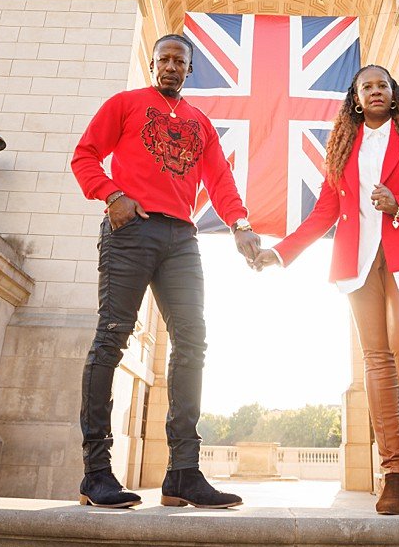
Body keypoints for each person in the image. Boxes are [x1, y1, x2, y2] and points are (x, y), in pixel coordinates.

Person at [70, 34, 262, 509]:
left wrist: (240, 225)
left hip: (182, 237)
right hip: (131, 230)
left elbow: (220, 180)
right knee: (112, 337)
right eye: (164, 60)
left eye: (180, 61)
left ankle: (182, 473)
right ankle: (96, 473)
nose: (172, 66)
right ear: (153, 65)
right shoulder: (126, 104)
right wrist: (112, 196)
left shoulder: (201, 124)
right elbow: (84, 156)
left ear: (190, 69)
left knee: (192, 342)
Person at [254, 64, 399, 515]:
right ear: (356, 97)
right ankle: (394, 472)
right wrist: (282, 252)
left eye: (383, 84)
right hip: (359, 261)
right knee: (377, 362)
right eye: (367, 86)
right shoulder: (343, 148)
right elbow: (325, 212)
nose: (375, 90)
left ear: (394, 93)